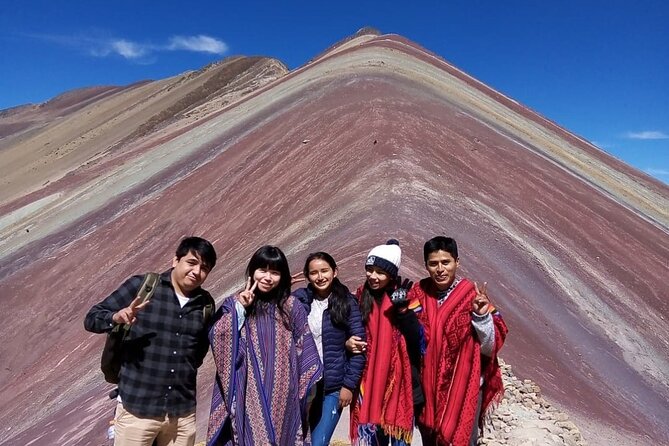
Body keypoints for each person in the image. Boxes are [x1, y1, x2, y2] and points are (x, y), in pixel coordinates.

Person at [84, 236, 217, 446]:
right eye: (191, 263)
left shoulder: (205, 305)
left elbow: (197, 355)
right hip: (138, 410)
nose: (196, 271)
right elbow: (92, 317)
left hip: (181, 416)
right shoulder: (144, 287)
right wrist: (115, 317)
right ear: (176, 261)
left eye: (204, 268)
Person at [206, 245, 322, 446]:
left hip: (284, 395)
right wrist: (240, 309)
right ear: (252, 271)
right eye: (263, 270)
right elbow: (217, 336)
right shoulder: (234, 303)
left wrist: (303, 390)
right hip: (245, 392)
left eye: (275, 272)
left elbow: (305, 348)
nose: (268, 277)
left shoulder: (290, 306)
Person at [409, 236, 508, 446]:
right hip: (427, 388)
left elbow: (491, 347)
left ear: (457, 262)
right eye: (433, 263)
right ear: (425, 265)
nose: (440, 269)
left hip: (465, 387)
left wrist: (481, 317)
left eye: (446, 262)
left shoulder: (472, 296)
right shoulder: (417, 293)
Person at [348, 240, 424, 446]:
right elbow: (350, 328)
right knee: (374, 438)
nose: (373, 276)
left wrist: (403, 310)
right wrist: (349, 343)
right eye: (369, 270)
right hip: (370, 378)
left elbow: (418, 338)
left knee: (399, 439)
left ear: (391, 274)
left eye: (380, 272)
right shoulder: (360, 296)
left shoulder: (407, 296)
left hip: (399, 381)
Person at [292, 252, 366, 446]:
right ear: (307, 276)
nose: (320, 277)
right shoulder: (299, 301)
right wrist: (283, 286)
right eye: (314, 272)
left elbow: (359, 348)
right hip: (302, 385)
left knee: (319, 442)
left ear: (335, 271)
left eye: (324, 271)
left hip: (332, 386)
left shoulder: (347, 303)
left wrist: (348, 385)